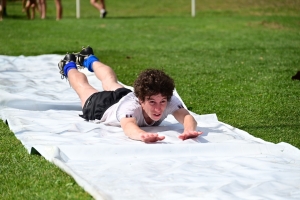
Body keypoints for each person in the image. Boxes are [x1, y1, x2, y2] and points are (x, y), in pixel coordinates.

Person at [58, 46, 202, 143]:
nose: (159, 108)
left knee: (109, 80)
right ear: (141, 100)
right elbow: (128, 126)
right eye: (152, 102)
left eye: (162, 102)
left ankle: (88, 58)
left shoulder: (164, 96)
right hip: (103, 107)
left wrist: (189, 130)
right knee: (83, 87)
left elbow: (186, 116)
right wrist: (141, 135)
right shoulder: (130, 108)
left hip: (124, 95)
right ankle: (67, 64)